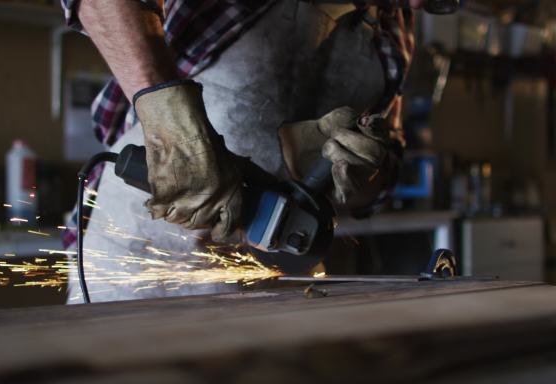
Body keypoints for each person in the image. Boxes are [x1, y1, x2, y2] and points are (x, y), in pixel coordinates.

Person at [60, 0, 420, 303]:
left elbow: (380, 181)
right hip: (138, 258)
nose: (419, 5)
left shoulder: (395, 25)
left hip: (273, 279)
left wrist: (358, 171)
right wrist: (168, 119)